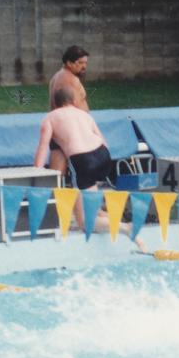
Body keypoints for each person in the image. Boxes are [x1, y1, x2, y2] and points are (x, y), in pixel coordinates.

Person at [33, 87, 144, 249]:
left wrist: (36, 171)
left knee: (85, 222)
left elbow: (43, 147)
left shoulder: (49, 118)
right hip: (103, 156)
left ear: (55, 103)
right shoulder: (85, 115)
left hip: (83, 160)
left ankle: (126, 228)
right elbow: (103, 140)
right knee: (89, 205)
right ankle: (111, 221)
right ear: (73, 101)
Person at [47, 45, 90, 175]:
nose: (84, 66)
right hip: (71, 129)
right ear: (69, 63)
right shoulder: (70, 80)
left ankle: (57, 193)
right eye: (80, 63)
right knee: (81, 176)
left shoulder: (57, 77)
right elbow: (76, 108)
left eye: (85, 63)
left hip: (59, 128)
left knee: (56, 175)